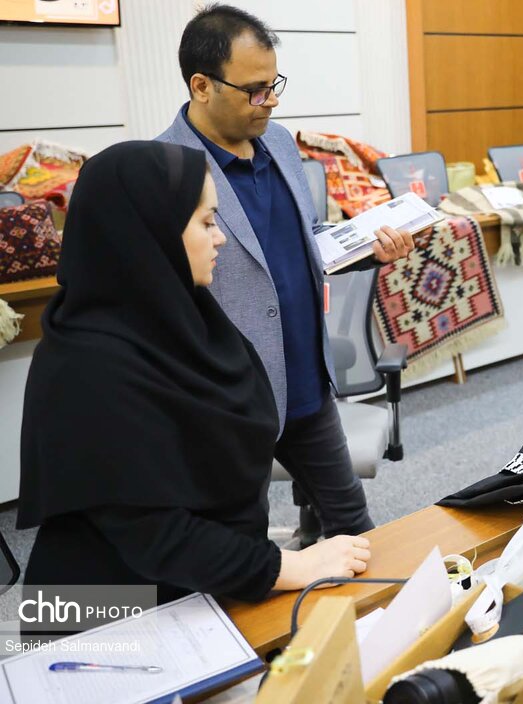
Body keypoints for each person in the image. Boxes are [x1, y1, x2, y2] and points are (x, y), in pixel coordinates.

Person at [18, 142, 370, 615]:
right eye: (206, 222)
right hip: (112, 611)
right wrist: (289, 566)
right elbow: (154, 535)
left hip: (207, 582)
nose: (220, 238)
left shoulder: (189, 319)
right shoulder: (85, 366)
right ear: (150, 232)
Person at [157, 4, 414, 538]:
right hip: (228, 403)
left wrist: (367, 247)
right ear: (201, 86)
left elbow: (306, 238)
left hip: (305, 379)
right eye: (255, 90)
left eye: (274, 85)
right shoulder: (163, 169)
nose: (270, 101)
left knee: (354, 526)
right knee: (240, 545)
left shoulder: (277, 142)